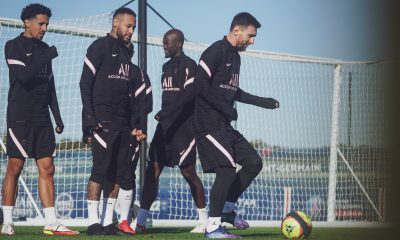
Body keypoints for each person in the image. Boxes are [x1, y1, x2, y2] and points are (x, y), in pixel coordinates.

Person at [193, 12, 279, 238]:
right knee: (227, 171)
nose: (252, 41)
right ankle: (212, 227)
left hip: (224, 125)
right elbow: (199, 85)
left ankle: (228, 212)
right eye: (250, 36)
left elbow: (233, 91)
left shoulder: (236, 58)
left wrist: (263, 102)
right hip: (207, 124)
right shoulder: (215, 51)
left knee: (253, 162)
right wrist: (224, 107)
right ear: (236, 30)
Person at [0, 3, 79, 236]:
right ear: (27, 22)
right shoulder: (12, 46)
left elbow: (50, 86)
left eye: (47, 24)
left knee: (48, 168)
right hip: (20, 117)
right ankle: (7, 222)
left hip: (42, 117)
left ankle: (51, 221)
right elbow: (23, 77)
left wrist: (58, 116)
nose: (44, 28)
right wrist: (46, 55)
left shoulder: (44, 49)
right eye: (41, 23)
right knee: (15, 167)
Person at [79, 7, 146, 235]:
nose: (130, 31)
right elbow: (84, 83)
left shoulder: (127, 55)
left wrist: (136, 124)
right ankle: (92, 221)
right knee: (99, 171)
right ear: (115, 23)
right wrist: (89, 118)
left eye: (133, 28)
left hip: (123, 124)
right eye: (128, 26)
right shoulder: (98, 47)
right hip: (101, 122)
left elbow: (131, 96)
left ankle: (108, 221)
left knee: (118, 173)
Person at [135, 29, 208, 234]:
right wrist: (164, 115)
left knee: (188, 173)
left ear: (179, 43)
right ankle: (140, 222)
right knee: (152, 171)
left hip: (184, 129)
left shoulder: (190, 66)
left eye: (167, 43)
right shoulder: (166, 67)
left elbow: (189, 96)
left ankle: (205, 221)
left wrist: (167, 112)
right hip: (164, 127)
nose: (164, 46)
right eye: (164, 43)